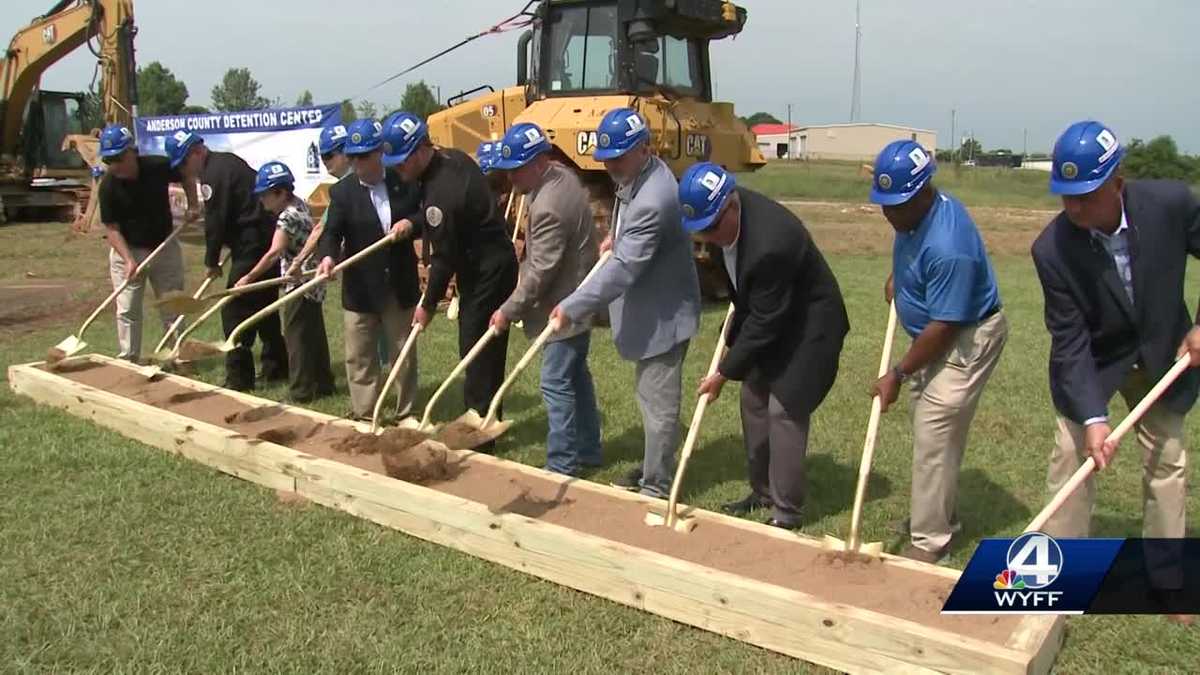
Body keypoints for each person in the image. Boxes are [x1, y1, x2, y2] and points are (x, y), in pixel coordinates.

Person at [1031, 120, 1200, 546]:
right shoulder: (1051, 249)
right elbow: (1069, 340)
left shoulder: (1172, 204)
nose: (1073, 209)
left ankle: (1165, 576)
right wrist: (1092, 417)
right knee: (1071, 453)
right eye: (1066, 196)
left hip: (1164, 352)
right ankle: (1060, 572)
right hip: (1099, 359)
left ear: (1117, 184)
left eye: (1085, 197)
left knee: (1166, 460)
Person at [682, 162, 848, 530]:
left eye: (711, 226)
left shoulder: (772, 243)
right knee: (753, 399)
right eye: (700, 229)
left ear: (731, 204)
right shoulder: (724, 228)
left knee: (784, 409)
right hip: (770, 312)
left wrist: (724, 371)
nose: (707, 236)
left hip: (809, 328)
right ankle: (762, 493)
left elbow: (765, 320)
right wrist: (731, 339)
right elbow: (749, 301)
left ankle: (786, 513)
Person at [866, 140, 1008, 563]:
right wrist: (901, 278)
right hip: (940, 330)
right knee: (931, 428)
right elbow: (912, 248)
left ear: (925, 192)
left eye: (898, 204)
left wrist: (898, 373)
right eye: (884, 203)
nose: (889, 213)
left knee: (935, 424)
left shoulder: (950, 246)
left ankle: (931, 541)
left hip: (967, 338)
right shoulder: (917, 217)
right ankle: (937, 515)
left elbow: (944, 327)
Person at [550, 107, 701, 498]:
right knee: (649, 399)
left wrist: (573, 305)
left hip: (664, 314)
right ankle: (654, 466)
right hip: (652, 307)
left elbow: (623, 270)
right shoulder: (641, 174)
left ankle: (657, 485)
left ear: (643, 149)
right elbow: (628, 230)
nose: (611, 166)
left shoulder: (655, 196)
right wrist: (617, 236)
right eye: (607, 158)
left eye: (618, 157)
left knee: (658, 405)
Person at [384, 111, 518, 438]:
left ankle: (481, 427)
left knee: (475, 346)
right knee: (483, 344)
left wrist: (427, 304)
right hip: (493, 259)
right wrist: (415, 224)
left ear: (419, 150)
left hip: (486, 270)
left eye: (402, 163)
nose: (399, 171)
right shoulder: (452, 159)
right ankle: (486, 415)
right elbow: (443, 219)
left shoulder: (443, 193)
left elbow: (444, 259)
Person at [489, 122, 602, 476]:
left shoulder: (548, 206)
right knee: (576, 377)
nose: (512, 179)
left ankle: (562, 462)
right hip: (578, 295)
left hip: (563, 305)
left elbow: (541, 271)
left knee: (555, 383)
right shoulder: (562, 176)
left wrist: (508, 310)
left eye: (517, 169)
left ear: (539, 161)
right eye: (509, 170)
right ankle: (588, 450)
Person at [316, 119, 422, 421]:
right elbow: (331, 233)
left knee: (402, 353)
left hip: (398, 284)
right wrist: (326, 257)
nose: (358, 164)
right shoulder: (342, 193)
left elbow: (423, 214)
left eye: (364, 156)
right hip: (360, 288)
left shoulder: (403, 182)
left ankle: (406, 412)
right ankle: (364, 413)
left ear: (379, 153)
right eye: (353, 157)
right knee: (359, 355)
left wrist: (410, 223)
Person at [168, 129, 287, 391]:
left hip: (253, 242)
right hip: (260, 236)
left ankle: (239, 377)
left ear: (197, 152)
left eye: (184, 164)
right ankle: (276, 366)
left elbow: (216, 220)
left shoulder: (214, 174)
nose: (186, 172)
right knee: (264, 304)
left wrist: (211, 261)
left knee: (233, 308)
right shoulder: (225, 163)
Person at [234, 161, 335, 403]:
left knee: (296, 337)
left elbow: (274, 253)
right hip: (314, 281)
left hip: (299, 284)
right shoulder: (299, 204)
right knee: (314, 334)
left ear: (280, 192)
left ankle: (300, 392)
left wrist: (248, 277)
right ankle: (324, 383)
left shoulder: (286, 218)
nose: (262, 201)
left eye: (265, 195)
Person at [96, 124, 198, 363]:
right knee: (128, 308)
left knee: (172, 303)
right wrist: (129, 259)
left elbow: (185, 175)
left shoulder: (156, 167)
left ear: (132, 152)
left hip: (164, 246)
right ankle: (129, 358)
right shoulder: (109, 187)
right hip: (127, 250)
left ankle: (179, 356)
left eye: (119, 157)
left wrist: (193, 204)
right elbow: (111, 229)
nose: (115, 165)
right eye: (110, 160)